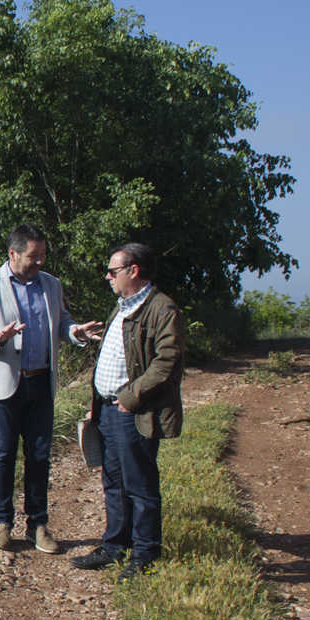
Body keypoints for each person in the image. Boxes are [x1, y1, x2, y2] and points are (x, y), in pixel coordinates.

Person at [0, 225, 104, 553]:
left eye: (42, 256)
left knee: (39, 455)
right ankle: (2, 522)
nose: (39, 262)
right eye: (32, 256)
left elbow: (62, 321)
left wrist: (75, 332)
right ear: (12, 254)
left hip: (41, 381)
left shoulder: (51, 285)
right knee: (2, 454)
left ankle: (38, 525)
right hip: (4, 384)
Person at [71, 242, 184, 579]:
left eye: (113, 270)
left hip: (132, 411)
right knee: (114, 481)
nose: (107, 276)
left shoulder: (162, 309)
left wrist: (131, 397)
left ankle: (145, 553)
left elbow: (167, 362)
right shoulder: (123, 306)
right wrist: (98, 403)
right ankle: (115, 546)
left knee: (139, 484)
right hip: (108, 410)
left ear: (133, 271)